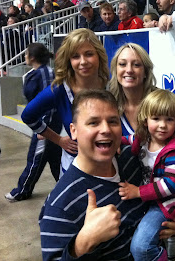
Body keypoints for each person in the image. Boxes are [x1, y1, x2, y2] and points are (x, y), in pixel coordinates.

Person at [39, 89, 175, 260]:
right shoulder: (60, 206)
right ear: (74, 131)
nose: (106, 130)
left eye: (113, 121)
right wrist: (84, 242)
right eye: (93, 123)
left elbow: (167, 191)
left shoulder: (132, 159)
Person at [21, 28, 109, 176]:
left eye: (89, 54)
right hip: (76, 169)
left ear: (99, 55)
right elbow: (28, 116)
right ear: (69, 60)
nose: (83, 62)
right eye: (75, 56)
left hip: (112, 164)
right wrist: (58, 139)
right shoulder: (60, 89)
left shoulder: (111, 83)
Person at [119, 89, 175, 261]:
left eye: (169, 119)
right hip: (152, 198)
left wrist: (138, 192)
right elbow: (128, 139)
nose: (162, 125)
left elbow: (170, 185)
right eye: (156, 118)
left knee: (141, 248)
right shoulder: (144, 138)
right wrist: (115, 142)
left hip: (168, 202)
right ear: (146, 119)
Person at [5, 43, 62, 202]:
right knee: (54, 158)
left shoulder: (45, 74)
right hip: (46, 124)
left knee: (35, 158)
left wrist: (44, 128)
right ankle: (65, 186)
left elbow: (49, 103)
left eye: (26, 54)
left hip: (45, 125)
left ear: (32, 57)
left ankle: (22, 190)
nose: (24, 57)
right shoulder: (36, 73)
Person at [109, 43, 157, 136]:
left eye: (136, 65)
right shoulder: (109, 105)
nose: (129, 70)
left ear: (146, 72)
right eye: (122, 64)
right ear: (116, 70)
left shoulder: (161, 101)